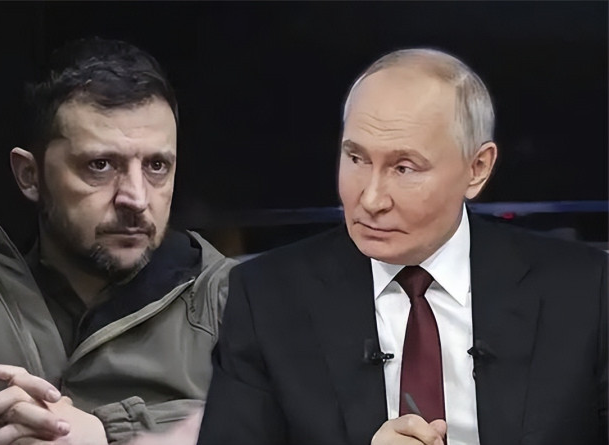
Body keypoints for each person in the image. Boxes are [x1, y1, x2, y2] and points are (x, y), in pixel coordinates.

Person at [197, 48, 607, 445]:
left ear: (477, 168)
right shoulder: (267, 298)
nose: (371, 199)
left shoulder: (586, 290)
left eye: (404, 168)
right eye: (356, 159)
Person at [0, 38, 235, 445]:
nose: (137, 198)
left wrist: (109, 433)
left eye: (157, 166)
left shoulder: (235, 302)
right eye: (100, 165)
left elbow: (289, 417)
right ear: (29, 175)